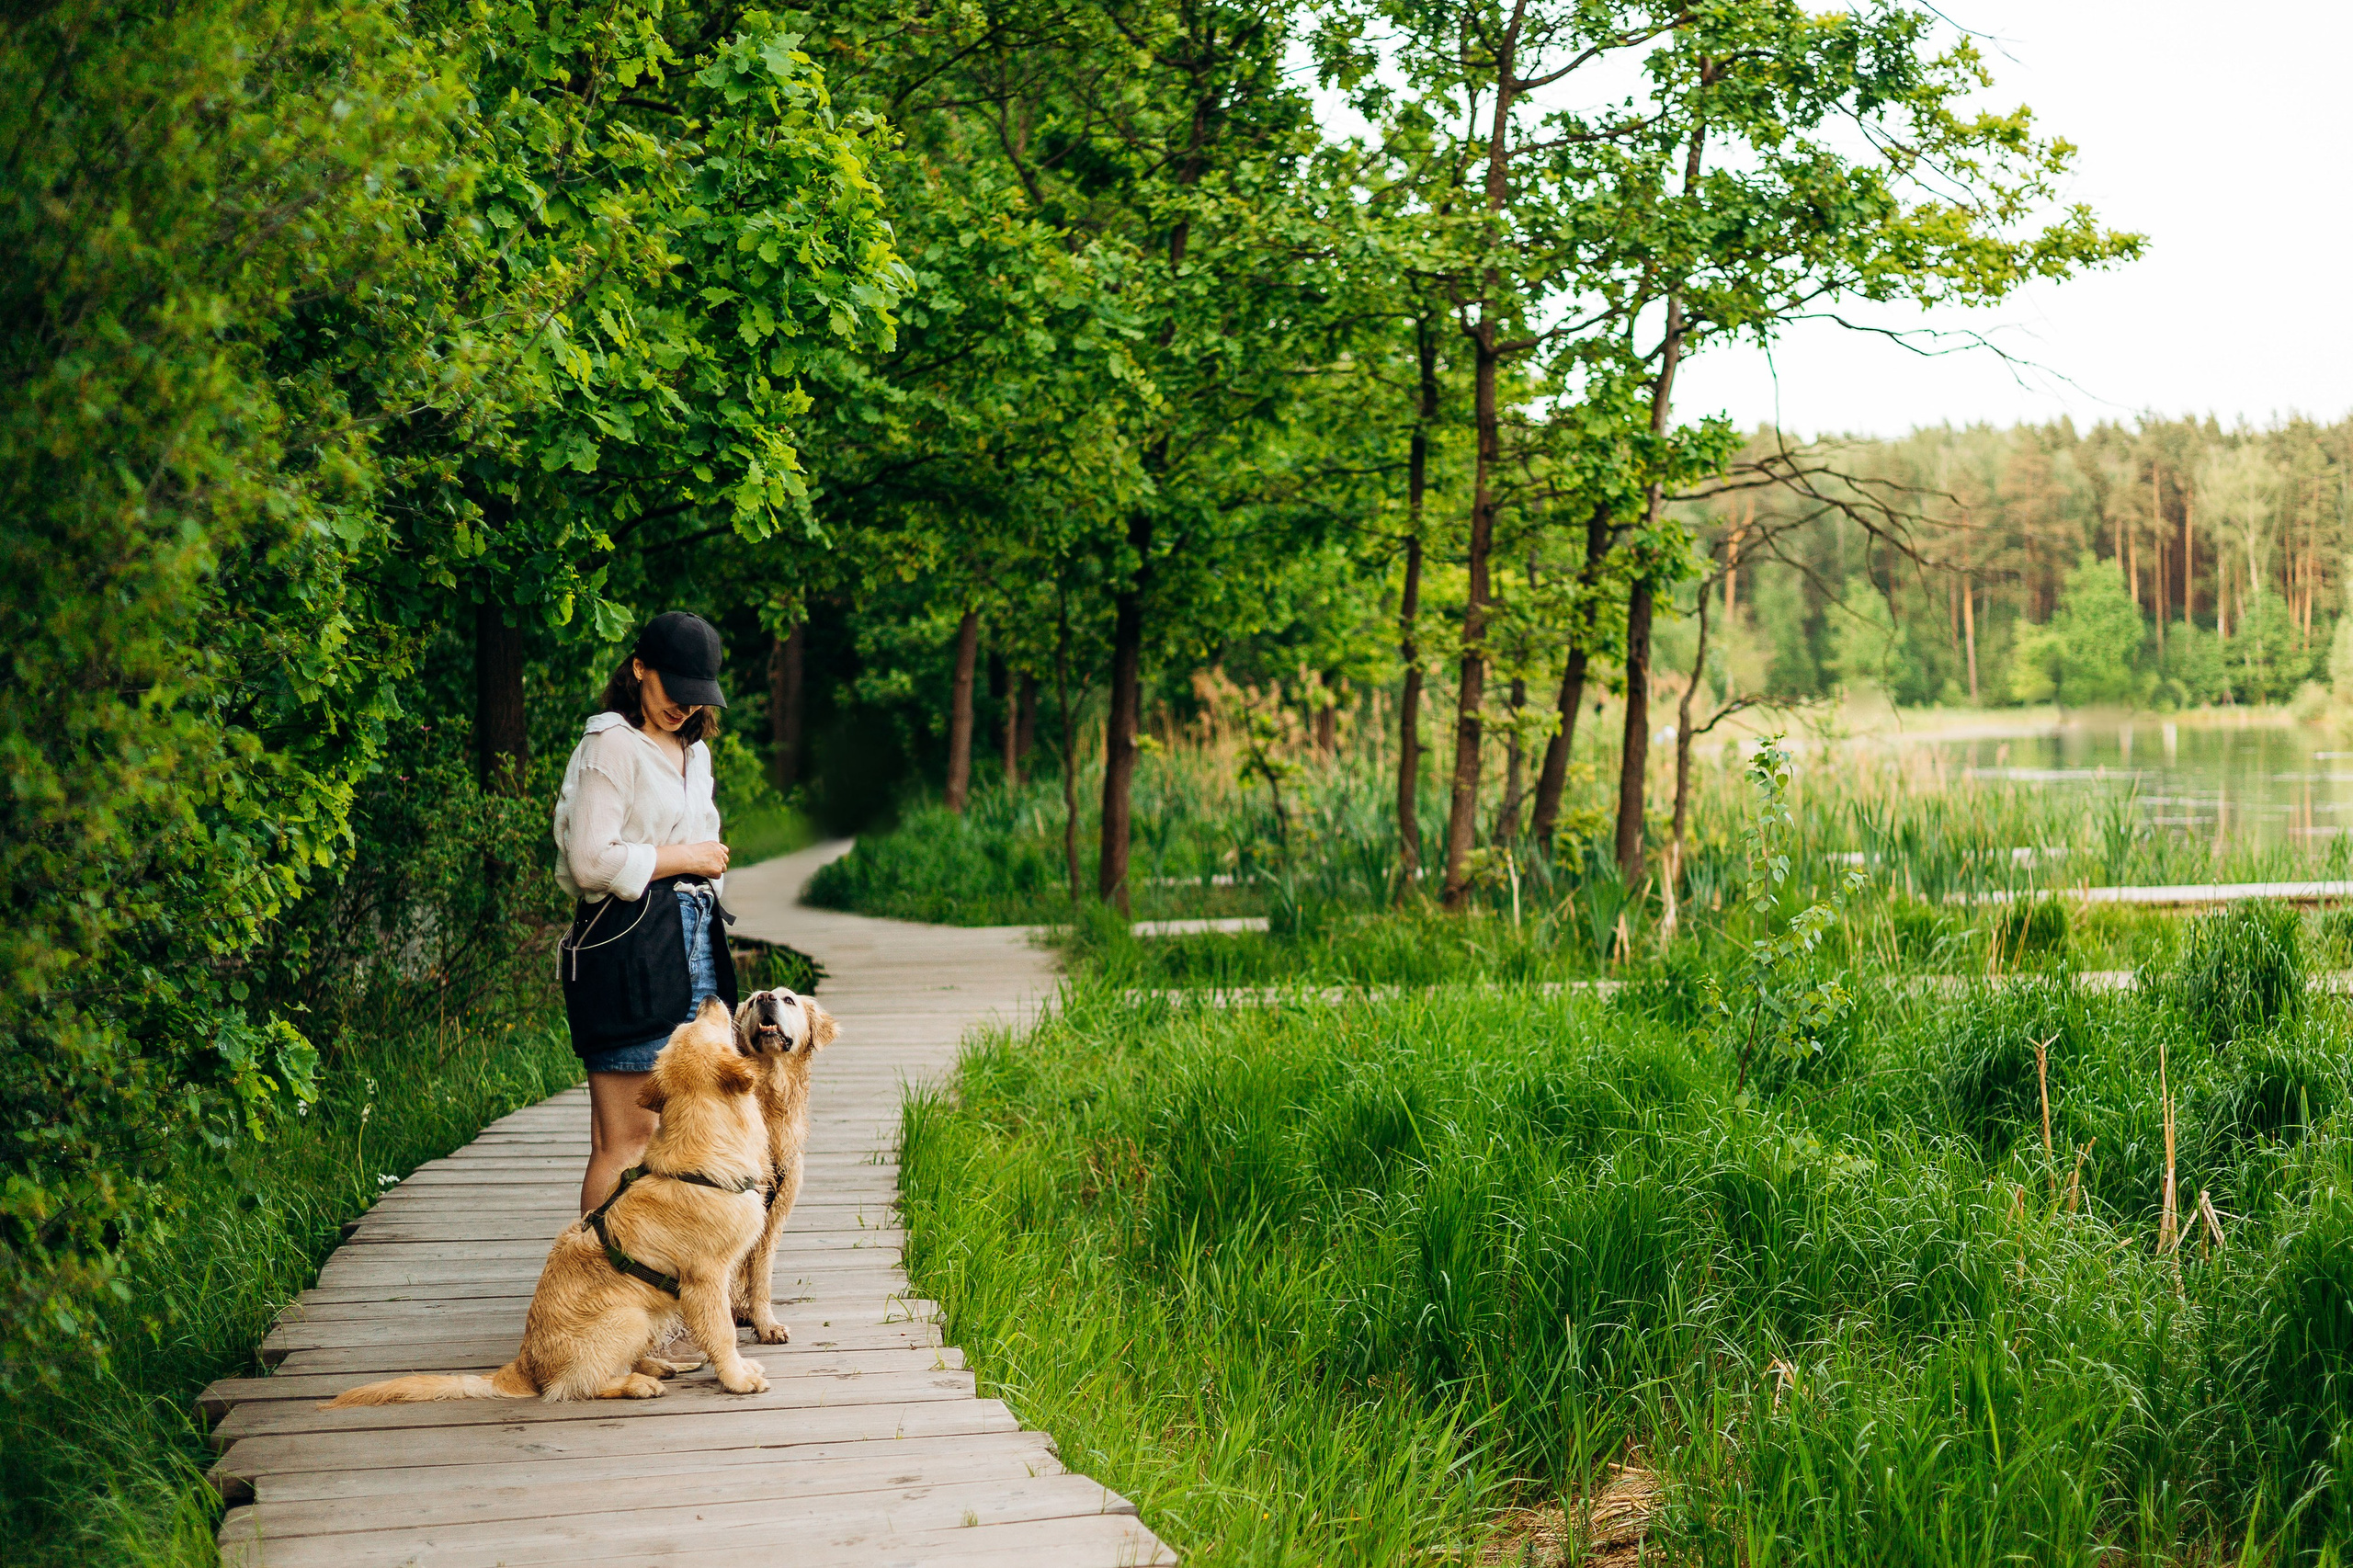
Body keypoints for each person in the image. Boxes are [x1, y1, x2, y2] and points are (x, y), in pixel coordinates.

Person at [551, 610, 737, 1213]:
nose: (682, 707)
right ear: (638, 669)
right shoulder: (612, 742)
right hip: (628, 942)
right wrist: (686, 856)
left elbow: (702, 852)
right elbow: (588, 862)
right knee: (625, 1139)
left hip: (695, 941)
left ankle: (663, 1288)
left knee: (683, 1133)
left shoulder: (695, 751)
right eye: (672, 690)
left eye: (695, 696)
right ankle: (594, 1294)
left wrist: (704, 870)